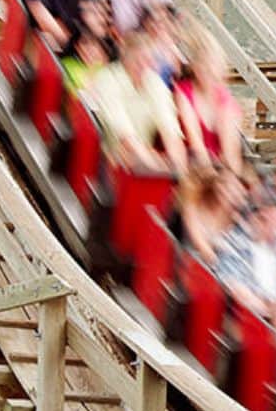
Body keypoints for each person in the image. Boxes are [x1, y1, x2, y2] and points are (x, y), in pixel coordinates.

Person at [86, 33, 186, 172]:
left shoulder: (154, 82)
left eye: (149, 61)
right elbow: (124, 134)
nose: (144, 66)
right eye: (138, 60)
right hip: (105, 158)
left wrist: (178, 170)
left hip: (143, 160)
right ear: (126, 58)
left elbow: (170, 129)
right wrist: (155, 166)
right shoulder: (107, 78)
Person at [212, 201, 276, 317]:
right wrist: (265, 308)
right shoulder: (238, 242)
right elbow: (230, 281)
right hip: (238, 312)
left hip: (266, 317)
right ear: (259, 219)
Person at [176, 29, 242, 172]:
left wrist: (231, 177)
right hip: (191, 166)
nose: (208, 71)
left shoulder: (225, 100)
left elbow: (230, 153)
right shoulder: (184, 91)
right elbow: (195, 142)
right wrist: (210, 174)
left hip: (218, 171)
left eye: (213, 66)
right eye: (203, 66)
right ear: (195, 68)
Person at [60, 0, 116, 93]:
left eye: (102, 12)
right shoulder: (68, 62)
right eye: (93, 12)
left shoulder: (113, 53)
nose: (100, 18)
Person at [179, 168, 241, 264]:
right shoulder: (193, 203)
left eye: (236, 189)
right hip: (184, 256)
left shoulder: (234, 218)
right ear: (217, 188)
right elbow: (204, 249)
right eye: (228, 189)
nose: (232, 194)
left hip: (206, 265)